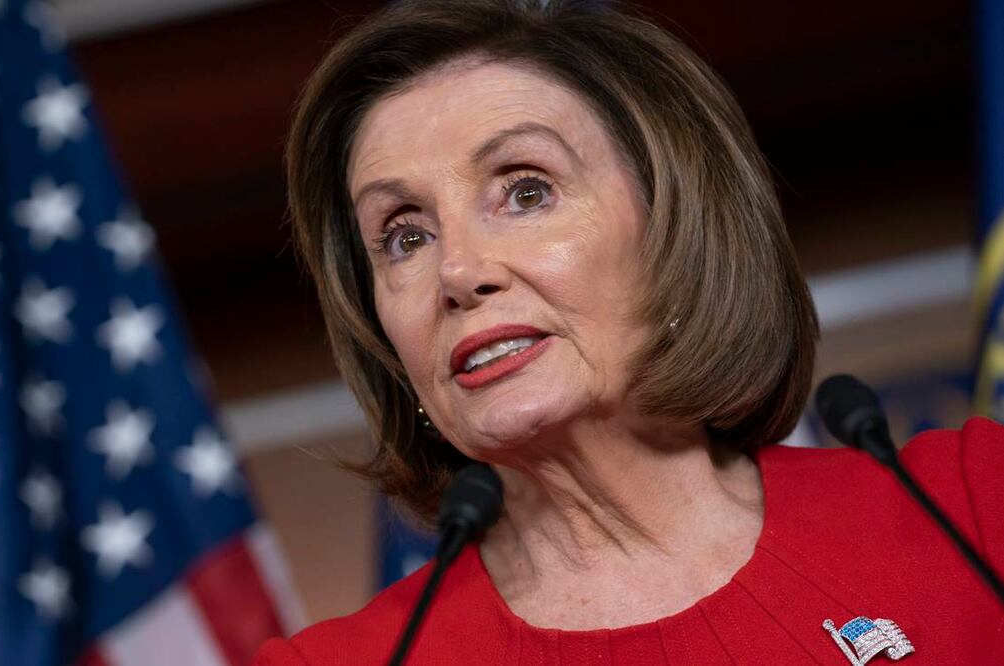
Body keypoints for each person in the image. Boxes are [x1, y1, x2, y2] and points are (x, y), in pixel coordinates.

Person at [255, 1, 1004, 663]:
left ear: (674, 231)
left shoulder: (972, 510)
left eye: (524, 191)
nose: (457, 271)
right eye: (403, 237)